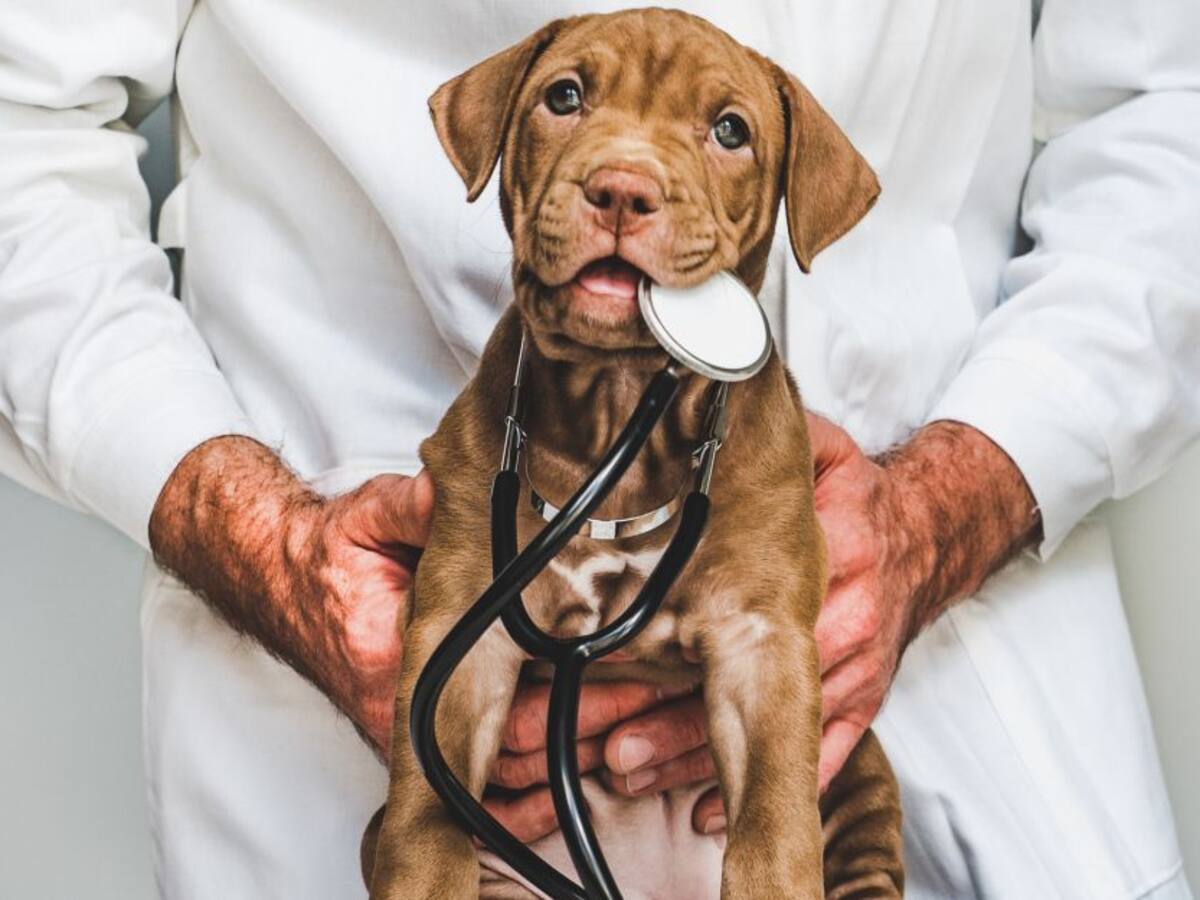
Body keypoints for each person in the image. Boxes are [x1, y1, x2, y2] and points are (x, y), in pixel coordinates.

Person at [1, 1, 1197, 897]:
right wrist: (258, 537)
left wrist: (954, 503)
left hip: (958, 722)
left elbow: (1170, 111)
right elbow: (21, 125)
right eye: (572, 104)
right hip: (342, 706)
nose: (627, 178)